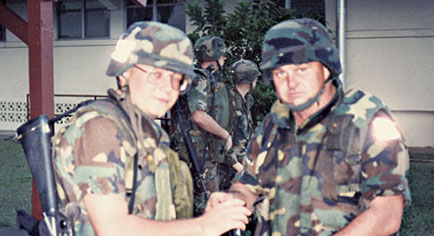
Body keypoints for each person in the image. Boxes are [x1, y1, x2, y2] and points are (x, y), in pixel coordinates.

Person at [206, 18, 411, 236]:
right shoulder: (273, 124)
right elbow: (247, 185)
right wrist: (233, 200)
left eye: (301, 69)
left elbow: (387, 214)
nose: (291, 82)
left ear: (325, 70)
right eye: (280, 73)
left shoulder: (366, 120)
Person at [52, 21, 250, 236]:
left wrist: (207, 216)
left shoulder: (149, 135)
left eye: (176, 80)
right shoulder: (101, 128)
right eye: (156, 74)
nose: (167, 88)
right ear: (125, 73)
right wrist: (204, 226)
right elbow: (112, 229)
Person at [176, 35, 233, 216]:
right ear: (214, 57)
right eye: (222, 55)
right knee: (206, 206)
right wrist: (225, 134)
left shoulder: (209, 79)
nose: (224, 59)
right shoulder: (199, 79)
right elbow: (199, 116)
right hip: (198, 151)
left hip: (205, 150)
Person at [219, 59, 260, 191]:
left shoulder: (247, 101)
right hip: (229, 168)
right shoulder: (228, 101)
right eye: (255, 78)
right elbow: (223, 137)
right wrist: (236, 165)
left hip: (242, 163)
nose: (257, 81)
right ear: (250, 79)